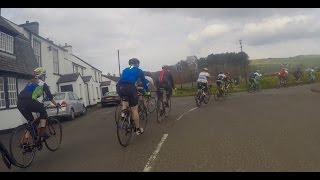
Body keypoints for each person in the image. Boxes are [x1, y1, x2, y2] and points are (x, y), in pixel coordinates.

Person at [17, 67, 58, 143]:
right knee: (43, 112)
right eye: (44, 76)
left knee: (30, 121)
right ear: (41, 76)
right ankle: (42, 132)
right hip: (29, 101)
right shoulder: (42, 84)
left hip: (19, 102)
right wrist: (56, 105)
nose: (45, 77)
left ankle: (26, 143)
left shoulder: (30, 82)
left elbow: (31, 94)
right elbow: (50, 97)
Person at [116, 58, 150, 135]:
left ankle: (123, 113)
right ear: (137, 64)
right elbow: (144, 83)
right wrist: (147, 92)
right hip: (130, 87)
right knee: (134, 110)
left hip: (119, 87)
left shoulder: (125, 70)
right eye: (138, 64)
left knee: (125, 100)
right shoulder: (139, 71)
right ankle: (137, 130)